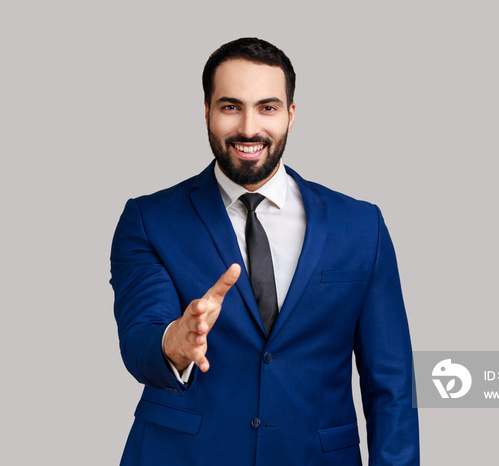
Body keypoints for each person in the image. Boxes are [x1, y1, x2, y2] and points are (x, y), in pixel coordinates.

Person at [110, 37, 419, 465]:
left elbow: (392, 384)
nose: (249, 128)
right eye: (230, 107)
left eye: (267, 108)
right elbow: (139, 336)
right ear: (206, 111)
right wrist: (174, 344)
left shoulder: (361, 226)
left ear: (291, 115)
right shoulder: (149, 219)